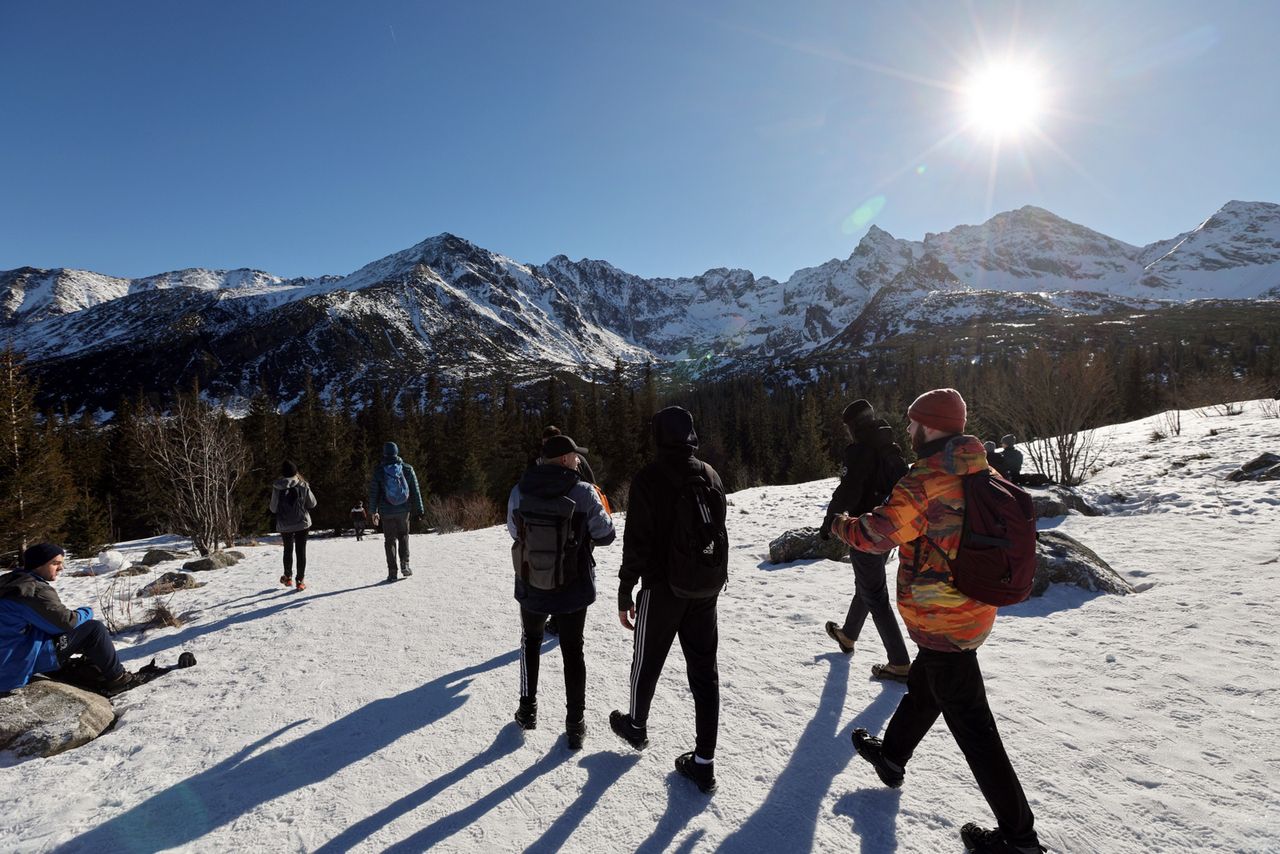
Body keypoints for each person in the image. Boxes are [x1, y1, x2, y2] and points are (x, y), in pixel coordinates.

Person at [831, 388, 1044, 854]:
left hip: (941, 617)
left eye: (912, 424)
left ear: (929, 426)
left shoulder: (926, 480)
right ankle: (891, 757)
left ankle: (1020, 838)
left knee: (975, 729)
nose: (907, 431)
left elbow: (875, 534)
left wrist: (841, 523)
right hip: (969, 609)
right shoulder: (976, 466)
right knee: (928, 684)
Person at [611, 406, 725, 795]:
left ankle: (637, 725)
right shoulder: (710, 474)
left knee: (647, 661)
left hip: (661, 589)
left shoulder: (649, 478)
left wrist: (626, 589)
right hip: (705, 590)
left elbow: (636, 543)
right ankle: (704, 762)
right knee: (704, 674)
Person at [507, 433, 615, 750]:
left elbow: (514, 530)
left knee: (530, 641)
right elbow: (606, 534)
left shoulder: (520, 489)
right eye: (575, 456)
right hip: (573, 585)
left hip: (531, 581)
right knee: (573, 651)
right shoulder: (583, 491)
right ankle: (575, 725)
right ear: (567, 460)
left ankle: (527, 710)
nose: (579, 460)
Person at [818, 399, 911, 681]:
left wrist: (829, 522)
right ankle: (848, 635)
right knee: (868, 583)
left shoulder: (861, 451)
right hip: (890, 525)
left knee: (874, 594)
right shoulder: (888, 444)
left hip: (865, 529)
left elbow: (849, 490)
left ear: (853, 425)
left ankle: (899, 663)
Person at [0, 543, 135, 695]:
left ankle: (81, 669)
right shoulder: (33, 589)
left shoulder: (10, 582)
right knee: (93, 629)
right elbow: (66, 622)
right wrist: (87, 611)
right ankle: (119, 680)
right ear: (38, 564)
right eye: (55, 563)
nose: (61, 568)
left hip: (9, 655)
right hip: (14, 664)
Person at [529, 426, 601, 637]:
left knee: (564, 571)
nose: (544, 447)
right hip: (574, 527)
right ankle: (562, 619)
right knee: (568, 571)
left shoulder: (549, 464)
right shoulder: (576, 461)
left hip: (570, 527)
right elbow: (593, 486)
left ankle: (559, 619)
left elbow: (590, 488)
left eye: (547, 443)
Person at [368, 441, 425, 582]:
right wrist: (420, 510)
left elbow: (374, 493)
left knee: (389, 541)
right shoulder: (407, 469)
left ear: (384, 453)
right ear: (397, 452)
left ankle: (392, 572)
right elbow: (415, 491)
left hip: (386, 511)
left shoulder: (379, 471)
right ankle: (405, 564)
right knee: (404, 536)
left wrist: (373, 511)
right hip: (403, 510)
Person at [270, 461, 317, 591]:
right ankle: (300, 581)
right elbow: (312, 503)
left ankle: (288, 576)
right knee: (301, 551)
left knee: (288, 549)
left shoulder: (277, 486)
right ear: (295, 472)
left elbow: (273, 508)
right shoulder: (303, 484)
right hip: (302, 523)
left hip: (285, 524)